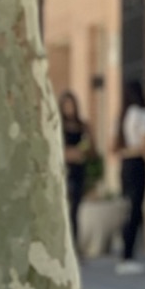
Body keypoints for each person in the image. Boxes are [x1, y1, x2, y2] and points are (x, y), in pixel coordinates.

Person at [114, 79, 145, 274]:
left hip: (125, 164)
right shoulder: (143, 114)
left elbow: (113, 146)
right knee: (136, 209)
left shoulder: (122, 117)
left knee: (127, 208)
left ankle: (125, 253)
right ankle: (128, 255)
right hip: (137, 164)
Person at [58, 89, 94, 246]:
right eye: (66, 105)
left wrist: (84, 149)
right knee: (64, 209)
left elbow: (92, 149)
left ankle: (74, 244)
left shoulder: (83, 126)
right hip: (64, 171)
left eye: (71, 105)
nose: (69, 108)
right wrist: (68, 154)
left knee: (75, 210)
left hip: (79, 171)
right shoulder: (59, 126)